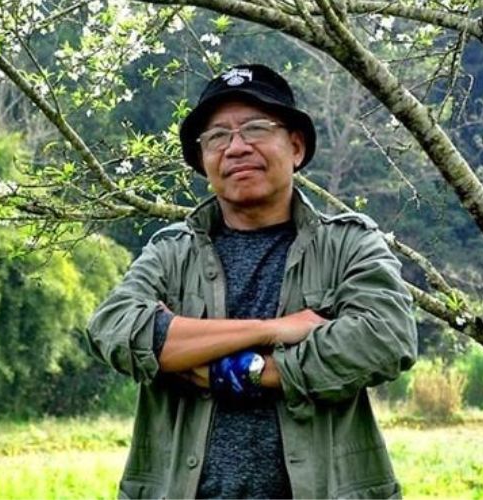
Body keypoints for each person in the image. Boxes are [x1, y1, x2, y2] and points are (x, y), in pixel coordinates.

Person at [87, 64, 417, 499]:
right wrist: (272, 329)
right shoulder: (171, 252)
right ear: (203, 160)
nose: (236, 147)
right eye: (217, 136)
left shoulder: (348, 245)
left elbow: (386, 337)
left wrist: (241, 371)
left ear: (295, 147)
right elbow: (113, 329)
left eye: (256, 128)